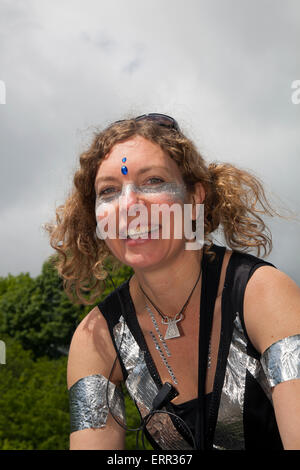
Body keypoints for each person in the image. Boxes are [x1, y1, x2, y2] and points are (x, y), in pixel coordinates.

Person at [44, 113, 300, 450]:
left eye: (152, 181)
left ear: (194, 196)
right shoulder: (96, 339)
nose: (129, 206)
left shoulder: (262, 293)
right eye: (109, 190)